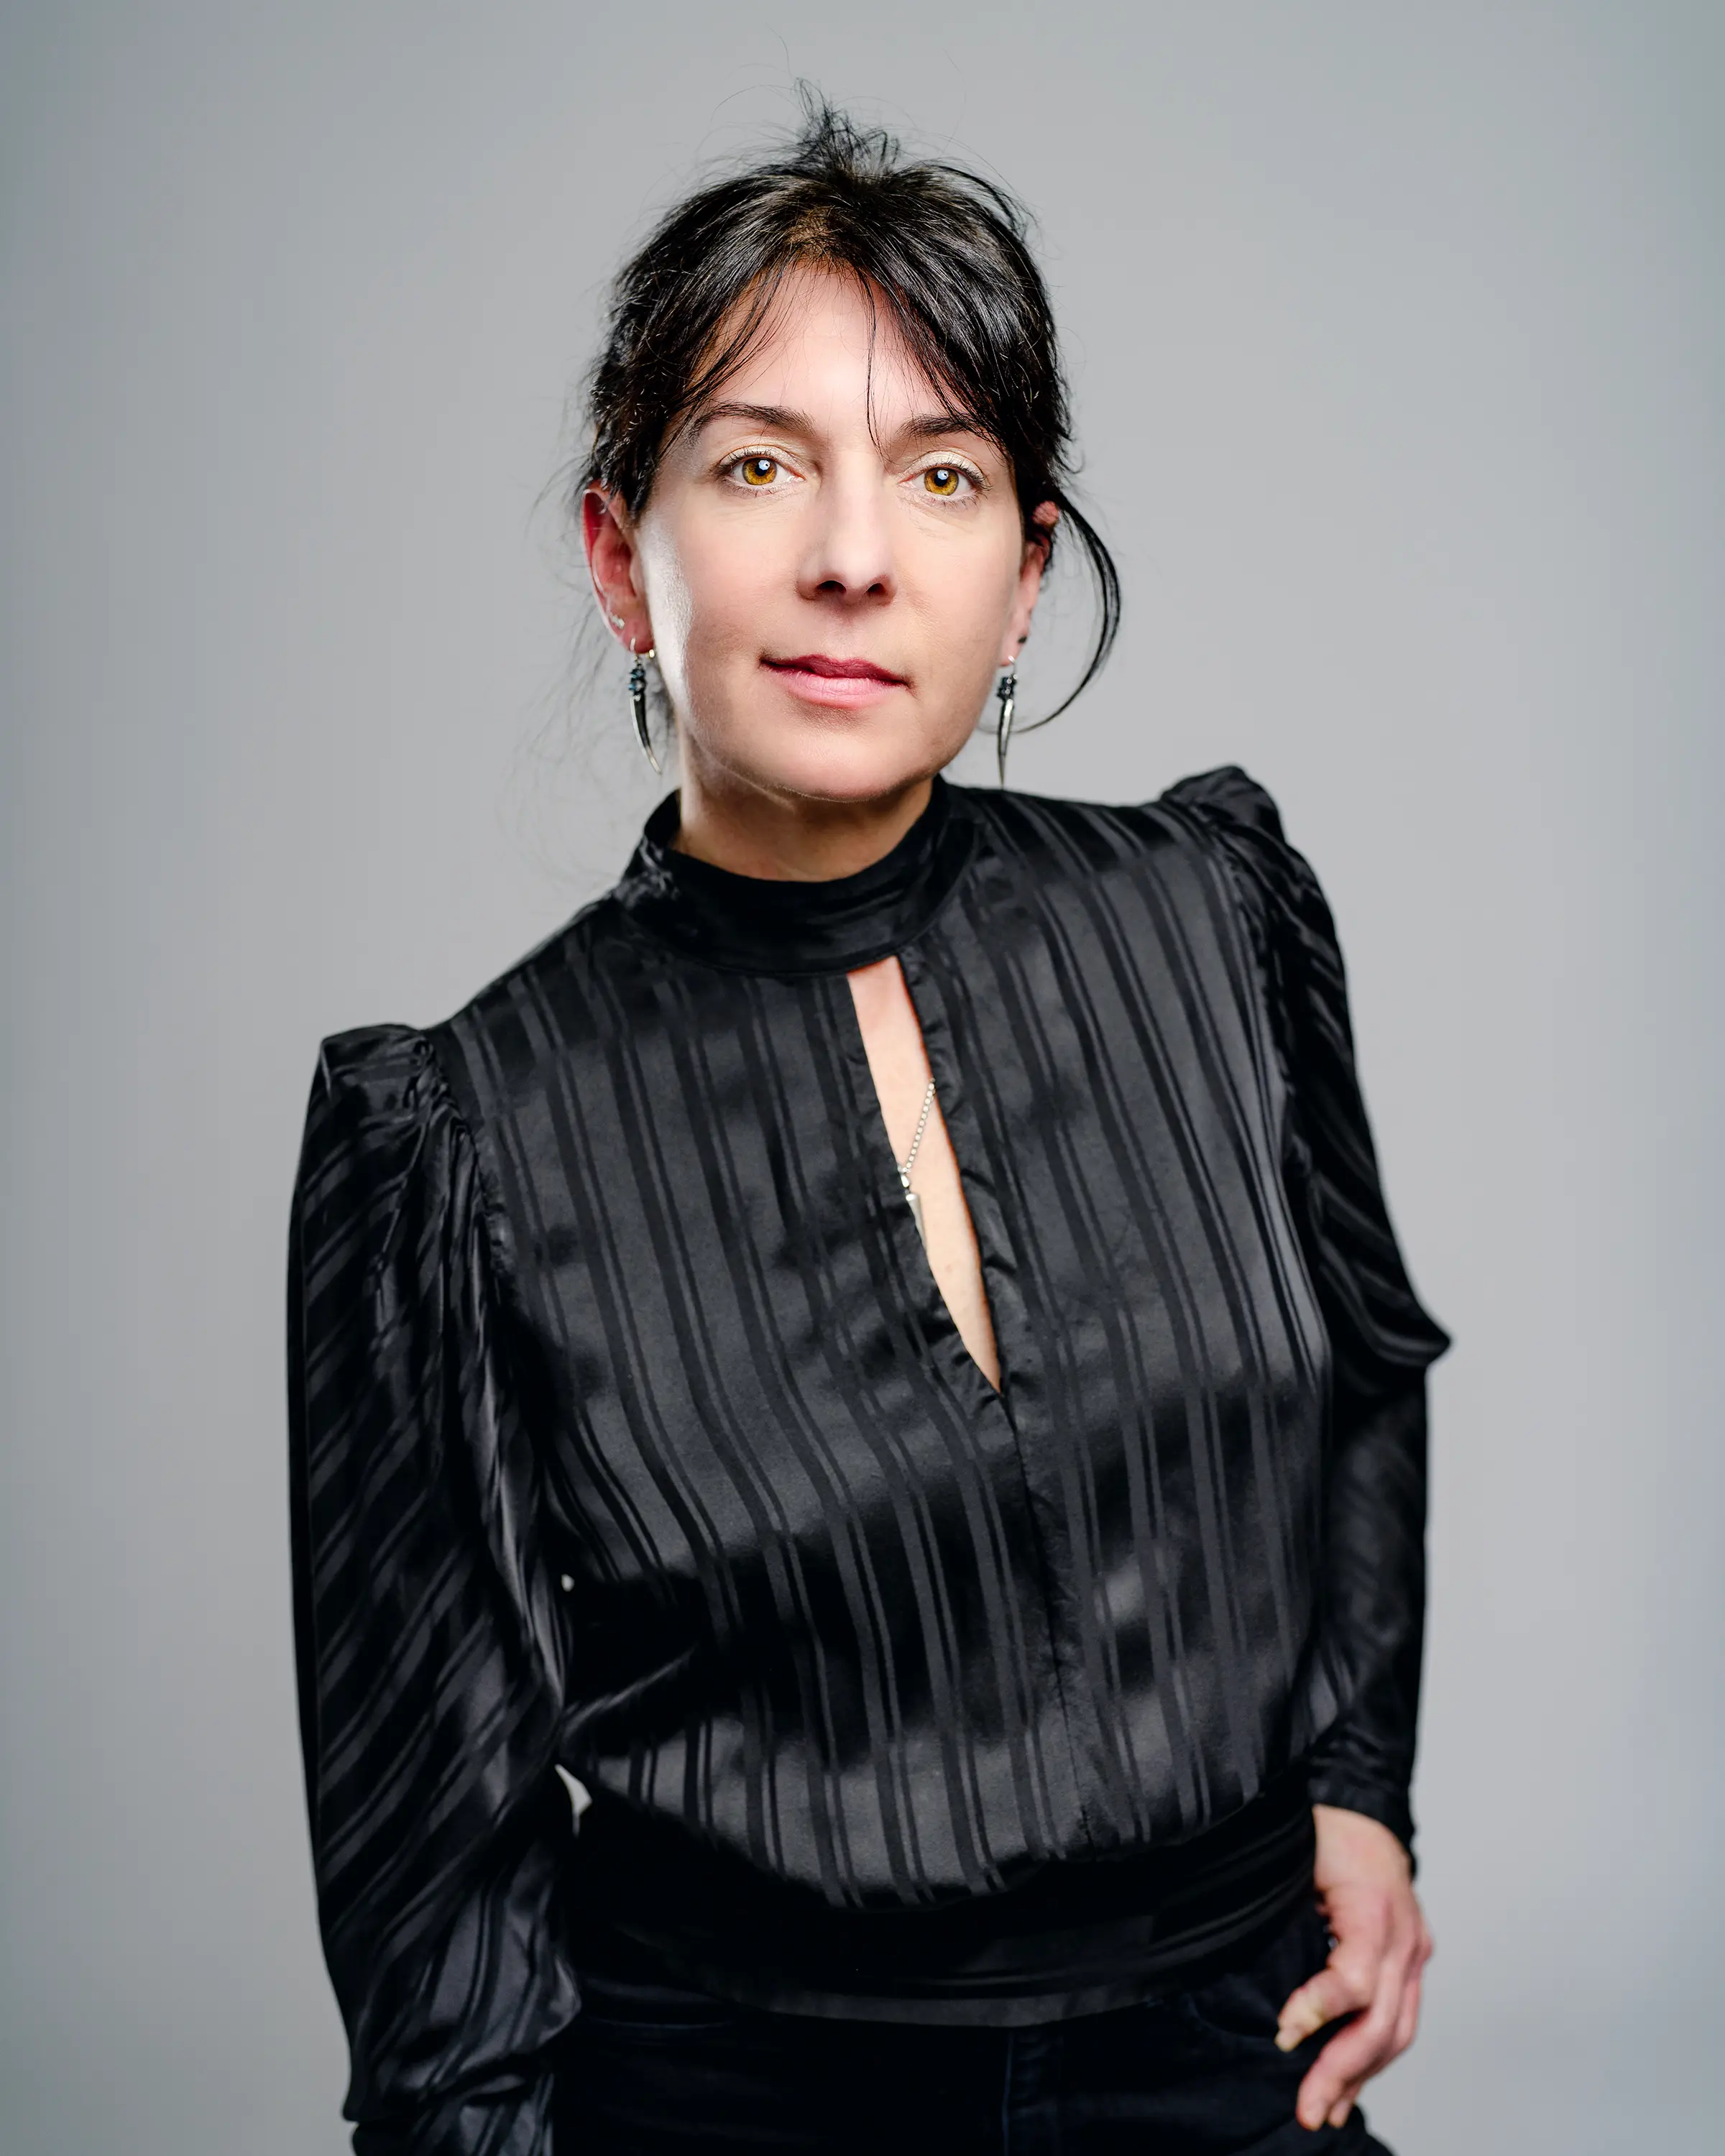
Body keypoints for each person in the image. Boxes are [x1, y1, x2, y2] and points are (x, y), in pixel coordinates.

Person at [287, 101, 1449, 2156]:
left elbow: (1366, 1371)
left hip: (1229, 2044)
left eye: (942, 474)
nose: (852, 550)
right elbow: (434, 1864)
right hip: (740, 2089)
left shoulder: (1215, 917)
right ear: (617, 556)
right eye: (756, 466)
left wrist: (1357, 1782)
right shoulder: (460, 1134)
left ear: (1024, 577)